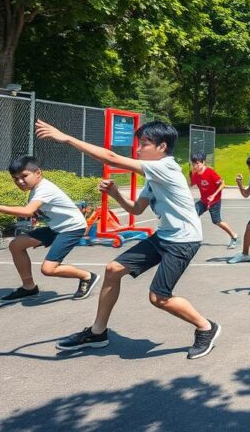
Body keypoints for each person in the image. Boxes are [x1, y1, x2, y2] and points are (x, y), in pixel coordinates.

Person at [36, 120, 220, 360]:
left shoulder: (166, 167)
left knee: (159, 298)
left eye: (144, 144)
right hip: (164, 236)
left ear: (162, 147)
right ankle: (98, 332)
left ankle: (206, 327)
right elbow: (136, 210)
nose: (138, 149)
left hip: (184, 240)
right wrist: (115, 194)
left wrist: (67, 138)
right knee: (113, 270)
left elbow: (111, 158)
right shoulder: (154, 176)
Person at [0, 156, 98, 302]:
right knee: (16, 245)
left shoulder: (44, 189)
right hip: (56, 226)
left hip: (72, 228)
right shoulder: (35, 189)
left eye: (24, 176)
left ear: (38, 173)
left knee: (48, 269)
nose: (20, 181)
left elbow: (27, 211)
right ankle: (29, 287)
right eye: (15, 178)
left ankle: (87, 276)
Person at [189, 153, 238, 247]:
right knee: (192, 214)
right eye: (193, 163)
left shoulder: (210, 172)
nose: (195, 166)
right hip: (203, 200)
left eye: (197, 163)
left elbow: (222, 184)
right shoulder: (194, 174)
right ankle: (192, 239)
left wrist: (213, 195)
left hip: (214, 201)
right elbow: (190, 185)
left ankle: (234, 236)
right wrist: (190, 175)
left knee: (217, 221)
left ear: (203, 162)